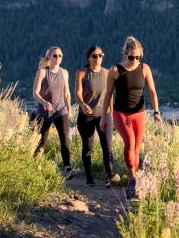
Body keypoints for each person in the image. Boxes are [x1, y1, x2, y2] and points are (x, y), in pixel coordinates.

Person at [107, 36, 162, 199]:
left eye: (138, 57)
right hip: (121, 113)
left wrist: (156, 112)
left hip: (140, 113)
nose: (135, 60)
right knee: (129, 142)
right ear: (125, 54)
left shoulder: (145, 69)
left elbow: (152, 91)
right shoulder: (115, 71)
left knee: (136, 149)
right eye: (132, 57)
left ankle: (135, 181)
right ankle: (132, 178)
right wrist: (105, 116)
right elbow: (108, 95)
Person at [75, 45, 118, 187]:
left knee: (107, 146)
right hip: (86, 115)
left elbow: (109, 94)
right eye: (94, 55)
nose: (98, 58)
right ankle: (89, 176)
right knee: (88, 147)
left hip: (103, 115)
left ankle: (109, 176)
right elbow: (78, 93)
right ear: (88, 57)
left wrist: (111, 113)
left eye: (100, 55)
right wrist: (82, 104)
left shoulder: (107, 73)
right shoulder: (82, 73)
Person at [33, 46, 74, 179]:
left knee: (65, 139)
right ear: (49, 58)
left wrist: (69, 109)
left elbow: (67, 93)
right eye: (55, 56)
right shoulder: (42, 72)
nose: (57, 58)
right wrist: (44, 102)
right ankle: (35, 168)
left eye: (60, 56)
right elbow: (35, 93)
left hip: (60, 110)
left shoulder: (65, 73)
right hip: (44, 112)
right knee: (41, 141)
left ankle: (67, 168)